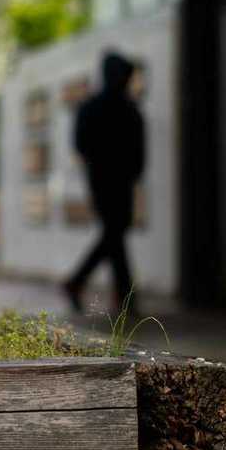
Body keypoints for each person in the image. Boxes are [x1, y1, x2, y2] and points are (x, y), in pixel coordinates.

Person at [63, 51, 145, 314]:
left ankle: (84, 285)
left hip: (106, 180)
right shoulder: (126, 109)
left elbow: (81, 144)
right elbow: (138, 149)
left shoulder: (94, 107)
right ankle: (121, 295)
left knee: (114, 235)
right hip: (113, 181)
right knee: (115, 234)